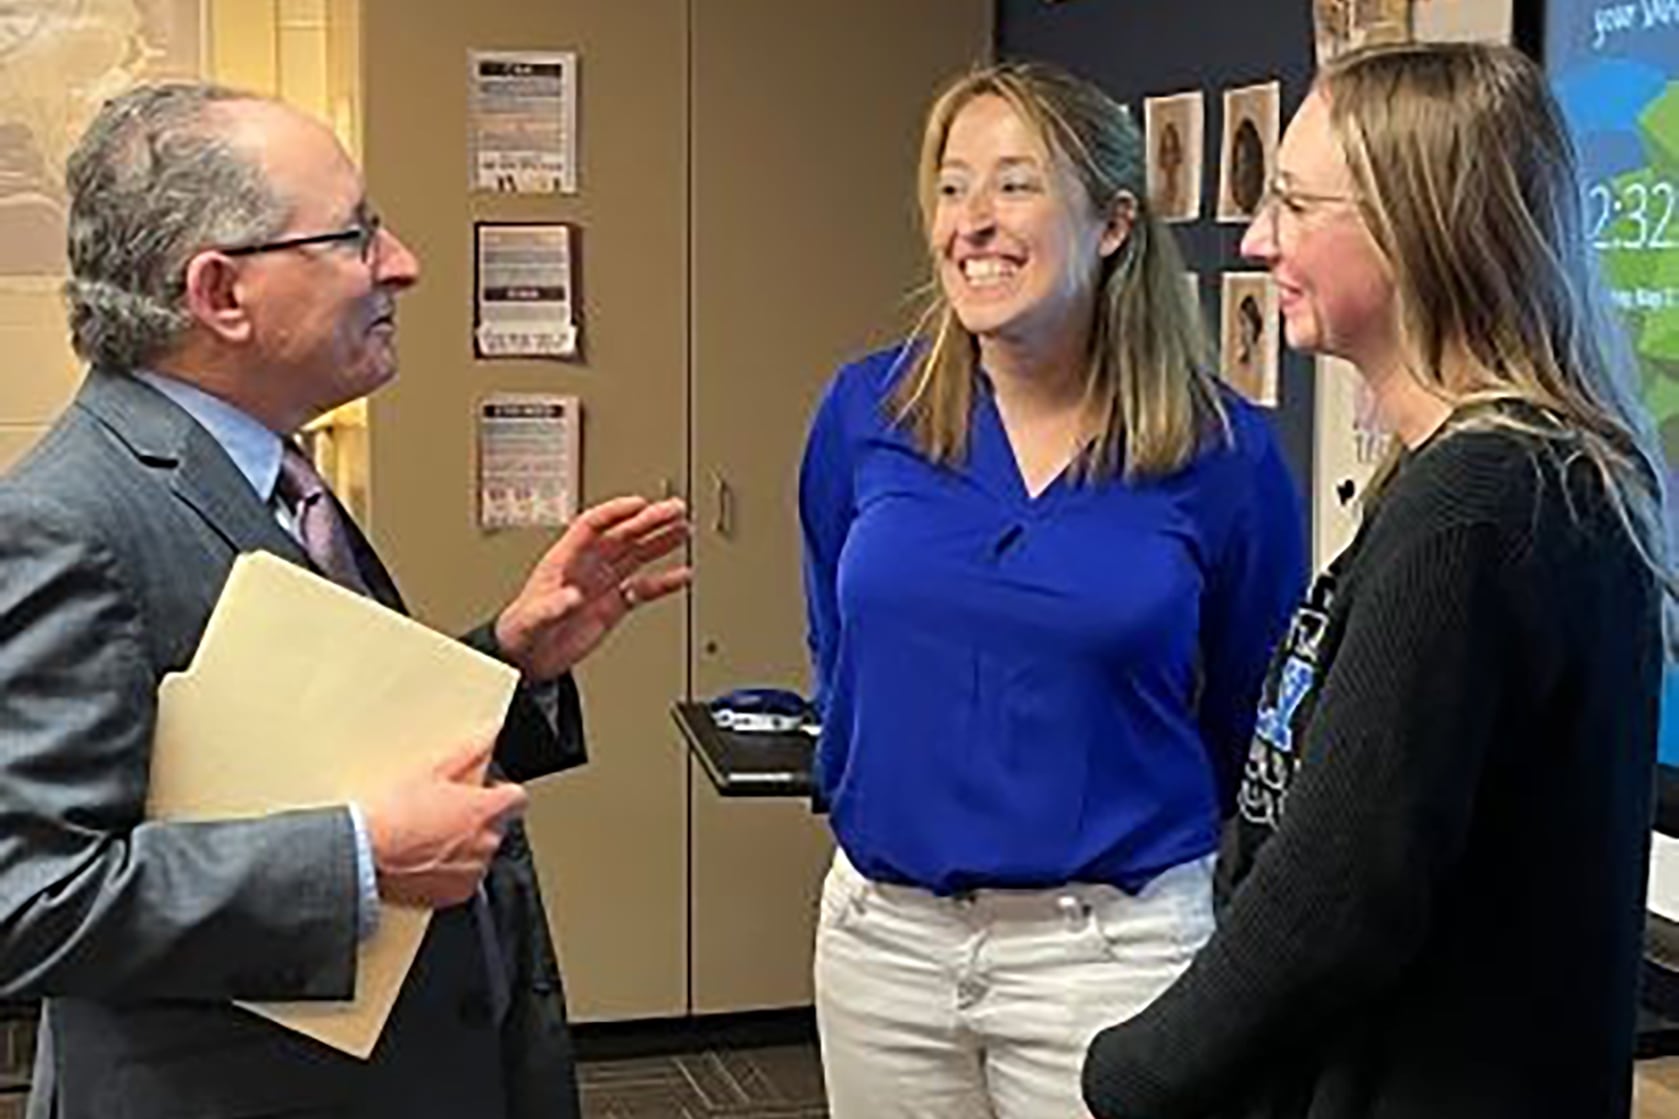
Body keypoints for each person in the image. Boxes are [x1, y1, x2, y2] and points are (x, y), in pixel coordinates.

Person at [0, 82, 689, 1119]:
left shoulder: (263, 471)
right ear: (220, 293)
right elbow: (30, 899)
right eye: (355, 235)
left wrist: (510, 656)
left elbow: (302, 745)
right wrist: (361, 859)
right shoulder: (66, 520)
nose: (402, 263)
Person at [1082, 41, 1671, 1119]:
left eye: (1296, 206)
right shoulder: (1513, 479)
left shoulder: (1477, 506)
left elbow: (1337, 895)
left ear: (1417, 226)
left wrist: (1130, 1073)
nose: (1258, 241)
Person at [799, 60, 1304, 1118]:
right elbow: (838, 653)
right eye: (950, 187)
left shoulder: (1219, 454)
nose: (970, 222)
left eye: (1014, 184)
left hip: (1110, 952)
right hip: (883, 944)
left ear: (1112, 222)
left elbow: (1251, 715)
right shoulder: (864, 412)